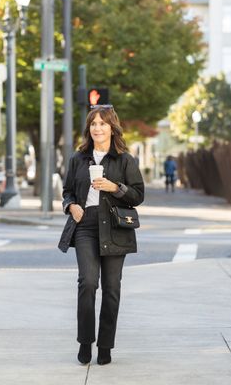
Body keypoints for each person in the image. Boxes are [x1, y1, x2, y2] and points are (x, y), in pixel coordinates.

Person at [58, 105, 145, 366]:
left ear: (111, 127)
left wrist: (115, 188)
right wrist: (70, 206)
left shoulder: (124, 159)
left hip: (115, 228)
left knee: (112, 289)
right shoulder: (78, 158)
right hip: (85, 224)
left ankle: (105, 346)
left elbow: (138, 195)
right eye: (93, 124)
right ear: (89, 129)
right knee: (87, 282)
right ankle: (86, 341)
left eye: (102, 124)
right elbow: (67, 191)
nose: (97, 128)